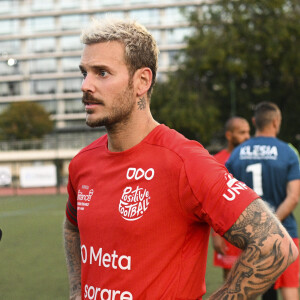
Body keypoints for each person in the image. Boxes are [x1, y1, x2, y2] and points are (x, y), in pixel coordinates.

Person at [63, 18, 298, 300]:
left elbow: (275, 245)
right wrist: (77, 290)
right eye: (84, 73)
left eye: (101, 73)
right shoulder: (82, 164)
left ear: (142, 81)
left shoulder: (185, 162)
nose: (86, 85)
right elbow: (72, 226)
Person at [226, 102, 300, 300]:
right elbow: (293, 197)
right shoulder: (288, 152)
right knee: (289, 288)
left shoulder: (236, 154)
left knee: (249, 291)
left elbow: (228, 197)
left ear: (254, 122)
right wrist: (271, 224)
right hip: (285, 233)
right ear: (276, 122)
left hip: (250, 236)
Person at [211, 117, 250, 281]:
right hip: (227, 228)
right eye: (242, 133)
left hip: (252, 226)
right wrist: (216, 234)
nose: (247, 136)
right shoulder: (217, 160)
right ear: (229, 135)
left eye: (248, 132)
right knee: (230, 280)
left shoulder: (252, 158)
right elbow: (213, 200)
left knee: (251, 281)